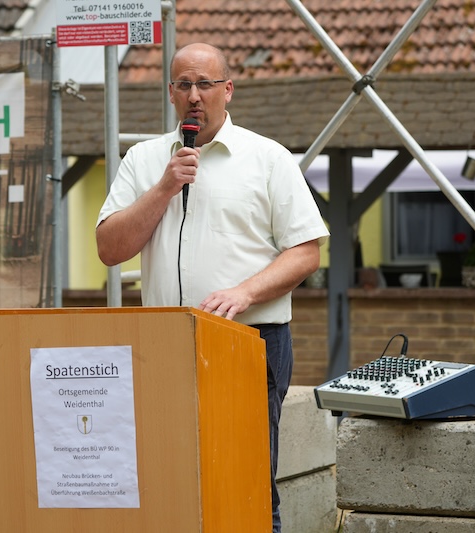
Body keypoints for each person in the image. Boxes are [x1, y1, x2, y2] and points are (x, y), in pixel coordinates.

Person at [96, 42, 329, 533]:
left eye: (205, 84)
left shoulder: (267, 158)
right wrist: (162, 188)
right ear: (171, 94)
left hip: (248, 340)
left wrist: (244, 292)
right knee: (168, 478)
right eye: (184, 85)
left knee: (245, 484)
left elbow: (307, 251)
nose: (195, 96)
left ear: (228, 90)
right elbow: (110, 248)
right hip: (162, 346)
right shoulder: (142, 160)